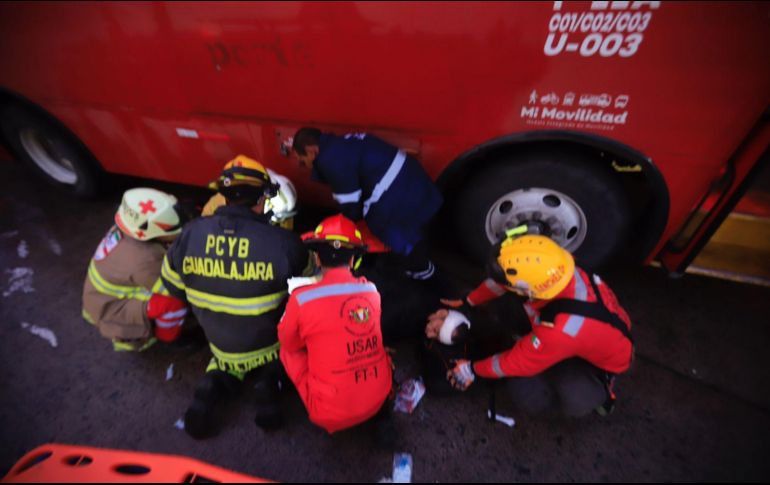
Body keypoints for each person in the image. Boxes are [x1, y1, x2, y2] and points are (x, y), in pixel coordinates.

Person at [158, 155, 311, 438]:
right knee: (285, 355)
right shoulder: (284, 244)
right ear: (263, 198)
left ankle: (213, 383)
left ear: (223, 196)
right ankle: (270, 386)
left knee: (226, 365)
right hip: (269, 344)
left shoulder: (189, 234)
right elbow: (311, 290)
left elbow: (170, 291)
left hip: (220, 344)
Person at [430, 230, 633, 417]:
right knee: (510, 310)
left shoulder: (563, 329)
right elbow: (503, 281)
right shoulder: (556, 267)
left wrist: (472, 370)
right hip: (596, 326)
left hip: (599, 361)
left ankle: (601, 394)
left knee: (526, 391)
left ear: (531, 290)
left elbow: (518, 363)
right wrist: (469, 301)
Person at [277, 214, 393, 435]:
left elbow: (289, 344)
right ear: (352, 261)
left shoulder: (301, 299)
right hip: (379, 395)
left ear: (318, 260)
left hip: (330, 413)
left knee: (287, 350)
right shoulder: (371, 291)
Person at [292, 127, 442, 282]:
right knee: (409, 227)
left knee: (386, 227)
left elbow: (350, 208)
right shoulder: (340, 143)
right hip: (412, 179)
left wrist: (341, 236)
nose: (302, 164)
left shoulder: (330, 160)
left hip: (396, 190)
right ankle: (418, 263)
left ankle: (424, 272)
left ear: (311, 151)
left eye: (302, 159)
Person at [82, 188, 190, 351]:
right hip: (113, 307)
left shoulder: (130, 227)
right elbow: (176, 289)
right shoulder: (146, 261)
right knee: (173, 303)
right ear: (151, 233)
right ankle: (168, 338)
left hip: (101, 295)